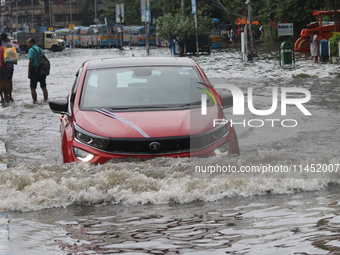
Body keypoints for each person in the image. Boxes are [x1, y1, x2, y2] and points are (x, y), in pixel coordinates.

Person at [27, 38, 48, 102]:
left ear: (32, 43)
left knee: (33, 87)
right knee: (43, 87)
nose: (27, 44)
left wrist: (29, 72)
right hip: (42, 70)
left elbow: (31, 61)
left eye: (28, 43)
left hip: (34, 70)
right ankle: (45, 100)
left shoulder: (31, 50)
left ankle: (35, 102)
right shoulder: (41, 50)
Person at [0, 33, 10, 103]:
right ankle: (6, 97)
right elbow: (7, 58)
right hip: (5, 67)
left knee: (1, 83)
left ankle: (2, 98)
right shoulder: (3, 49)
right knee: (6, 83)